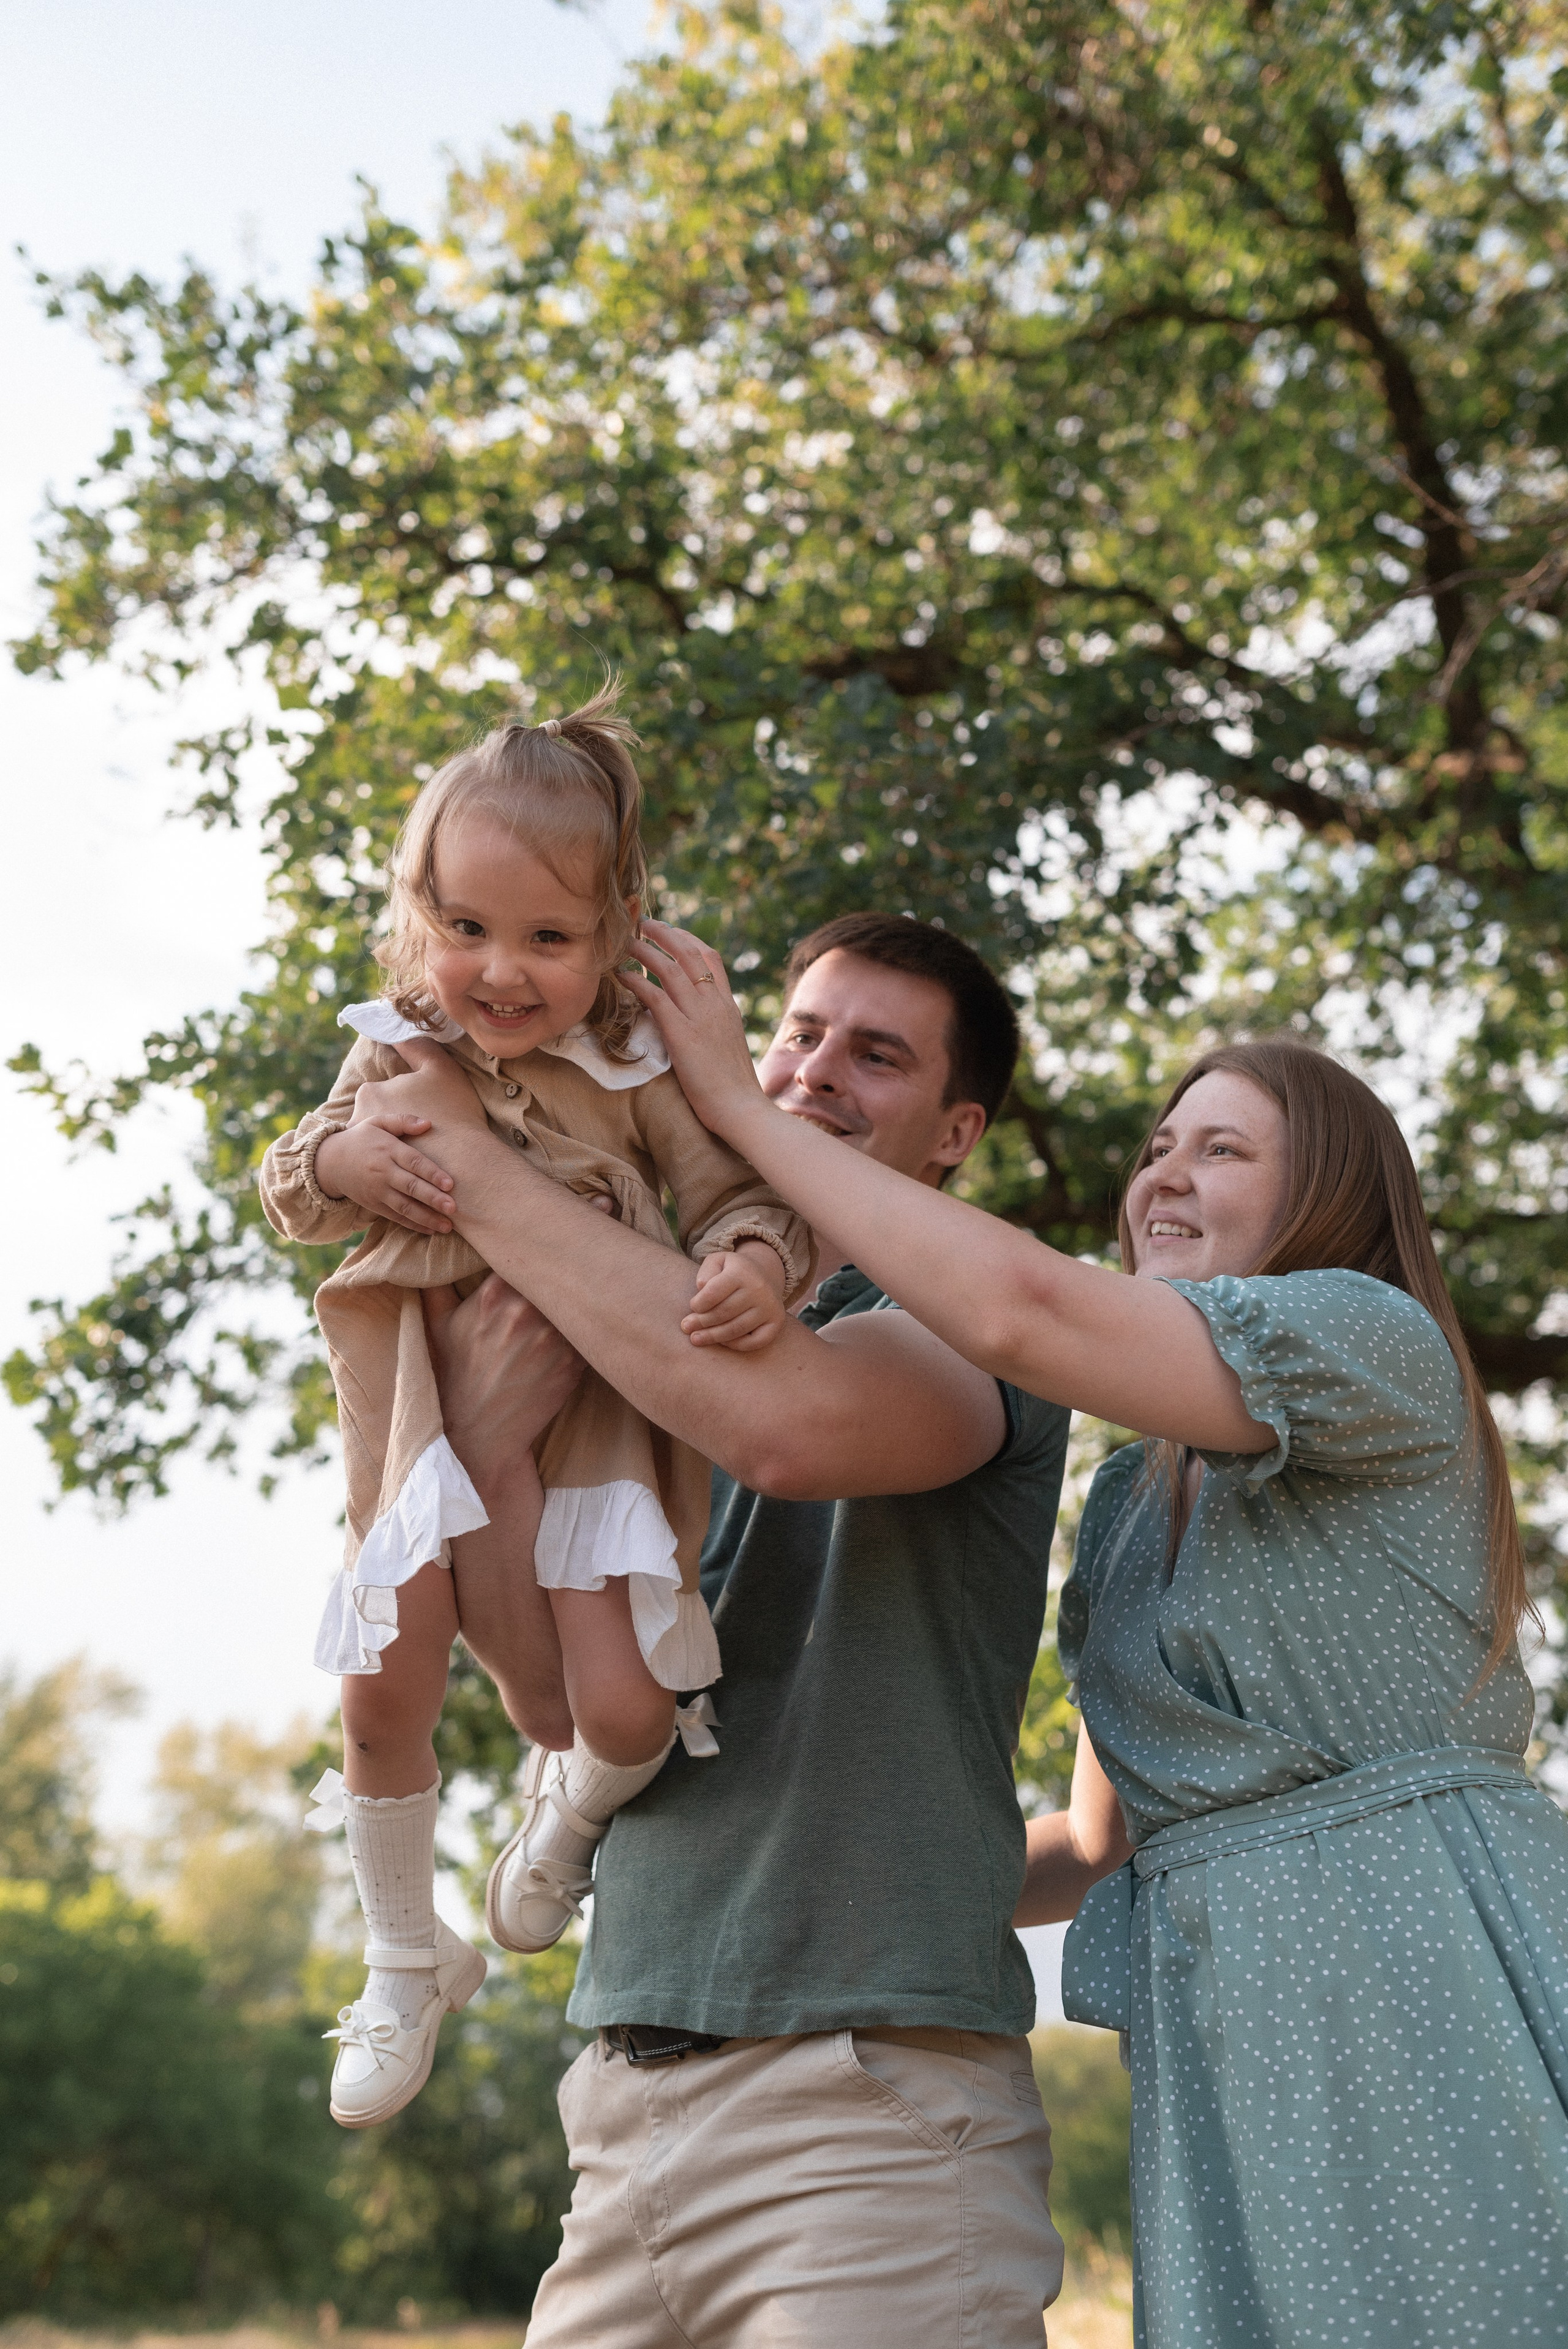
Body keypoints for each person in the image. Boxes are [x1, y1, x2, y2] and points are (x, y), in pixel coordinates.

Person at [617, 930, 1568, 2349]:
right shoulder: (1132, 1492)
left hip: (1410, 1953)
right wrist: (817, 1885)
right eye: (1156, 1145)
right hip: (1222, 2019)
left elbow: (1020, 1305)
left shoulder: (1368, 1337)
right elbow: (1092, 1839)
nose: (1163, 1176)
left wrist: (741, 1109)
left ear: (1330, 1194)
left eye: (1224, 1152)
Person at [344, 911, 1073, 2348]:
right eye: (797, 1032)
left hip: (864, 2112)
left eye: (875, 1057)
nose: (808, 1073)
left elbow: (788, 1426)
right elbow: (555, 1704)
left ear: (952, 1134)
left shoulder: (965, 1319)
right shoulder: (627, 1337)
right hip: (620, 2107)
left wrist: (468, 1166)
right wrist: (489, 1449)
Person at [258, 687, 811, 2129]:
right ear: (420, 913)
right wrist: (347, 1170)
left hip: (596, 1420)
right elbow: (293, 1179)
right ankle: (399, 1953)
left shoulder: (638, 1069)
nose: (497, 972)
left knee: (621, 1704)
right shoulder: (397, 1043)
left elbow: (739, 1198)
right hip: (423, 1408)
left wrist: (751, 1262)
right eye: (466, 928)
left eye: (546, 939)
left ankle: (558, 1817)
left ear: (619, 929)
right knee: (381, 1677)